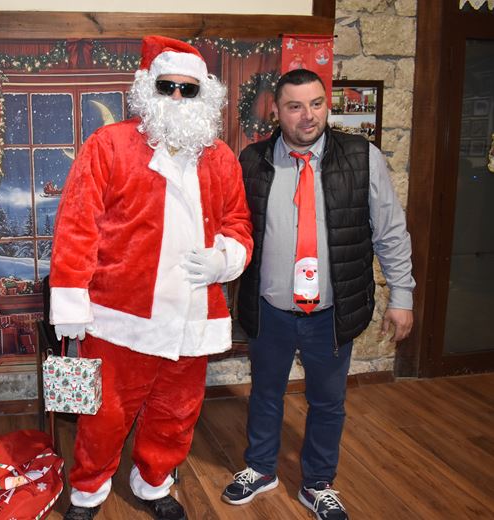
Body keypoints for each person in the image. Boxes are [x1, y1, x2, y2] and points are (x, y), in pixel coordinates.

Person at [49, 35, 253, 520]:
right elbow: (77, 226)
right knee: (105, 415)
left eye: (189, 88)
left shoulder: (220, 157)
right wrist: (72, 301)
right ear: (148, 89)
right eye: (167, 86)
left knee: (175, 414)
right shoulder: (109, 145)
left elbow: (238, 222)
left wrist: (226, 258)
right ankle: (88, 492)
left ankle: (154, 484)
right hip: (120, 316)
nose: (178, 97)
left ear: (204, 95)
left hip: (193, 314)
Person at [220, 68, 415, 520]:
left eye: (316, 104)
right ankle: (261, 468)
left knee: (328, 402)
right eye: (295, 106)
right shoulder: (252, 161)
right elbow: (234, 229)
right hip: (270, 308)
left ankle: (318, 483)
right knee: (265, 392)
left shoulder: (362, 158)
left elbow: (390, 232)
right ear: (276, 111)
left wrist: (402, 296)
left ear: (326, 105)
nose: (308, 116)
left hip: (331, 310)